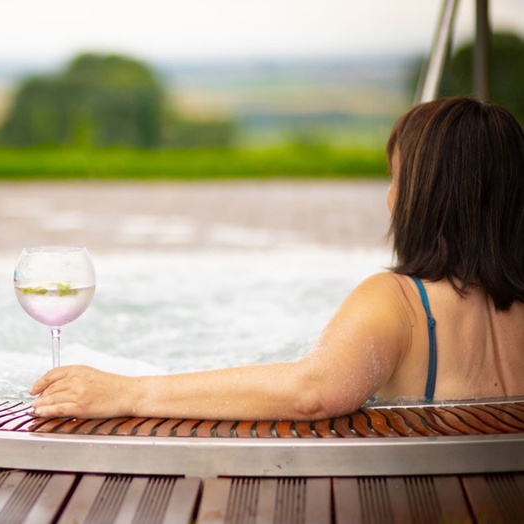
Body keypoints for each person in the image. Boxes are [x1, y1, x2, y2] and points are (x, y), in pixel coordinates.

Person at [29, 97, 524, 421]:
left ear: (427, 197)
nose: (390, 199)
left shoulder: (399, 303)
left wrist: (129, 393)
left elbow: (314, 391)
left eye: (396, 180)